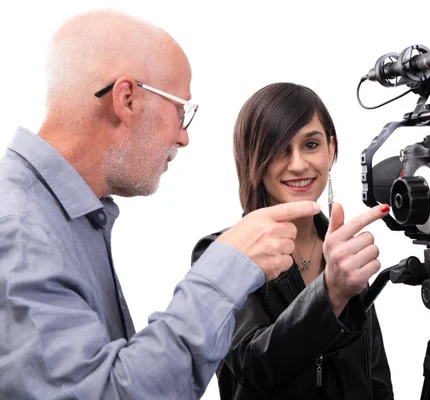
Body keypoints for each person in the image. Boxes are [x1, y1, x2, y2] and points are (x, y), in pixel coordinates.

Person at [0, 10, 326, 400]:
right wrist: (225, 271)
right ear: (126, 99)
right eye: (180, 110)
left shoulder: (63, 219)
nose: (183, 137)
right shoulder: (20, 232)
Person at [191, 82, 394, 399]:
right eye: (278, 149)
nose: (298, 164)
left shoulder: (340, 250)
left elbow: (375, 377)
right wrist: (330, 294)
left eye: (310, 145)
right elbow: (255, 366)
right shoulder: (222, 252)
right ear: (253, 160)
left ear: (331, 149)